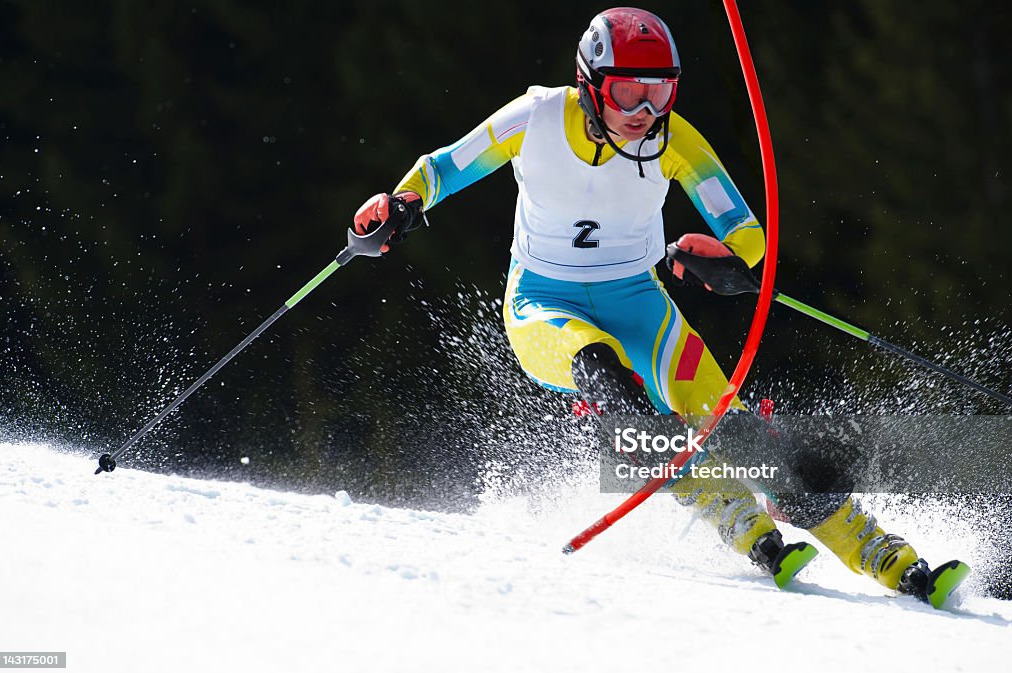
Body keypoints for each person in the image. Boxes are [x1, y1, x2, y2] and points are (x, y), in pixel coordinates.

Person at [352, 7, 954, 601]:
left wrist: (724, 259)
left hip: (639, 302)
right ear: (589, 84)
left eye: (660, 92)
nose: (645, 112)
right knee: (608, 377)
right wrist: (397, 207)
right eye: (627, 93)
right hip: (542, 306)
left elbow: (747, 234)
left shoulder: (674, 139)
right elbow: (441, 170)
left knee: (737, 426)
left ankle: (879, 552)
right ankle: (737, 518)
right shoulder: (535, 117)